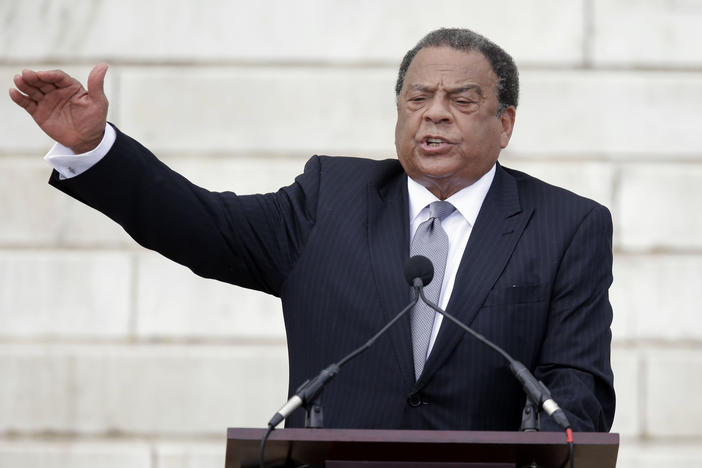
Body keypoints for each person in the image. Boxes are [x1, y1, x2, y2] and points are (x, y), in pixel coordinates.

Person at [9, 28, 615, 432]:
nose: (434, 113)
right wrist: (96, 150)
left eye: (460, 100)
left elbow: (578, 385)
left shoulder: (567, 225)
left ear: (504, 123)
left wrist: (557, 445)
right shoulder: (331, 198)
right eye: (417, 98)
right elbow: (201, 224)